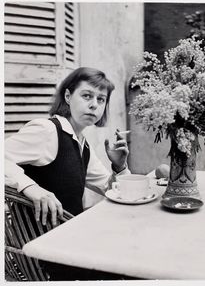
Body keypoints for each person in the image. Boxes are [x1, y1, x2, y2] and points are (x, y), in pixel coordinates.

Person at [5, 67, 130, 280]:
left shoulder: (81, 144)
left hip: (71, 241)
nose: (94, 105)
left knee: (132, 246)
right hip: (47, 254)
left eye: (101, 100)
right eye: (87, 96)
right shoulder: (47, 131)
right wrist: (31, 187)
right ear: (68, 96)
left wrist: (119, 166)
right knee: (130, 265)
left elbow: (115, 190)